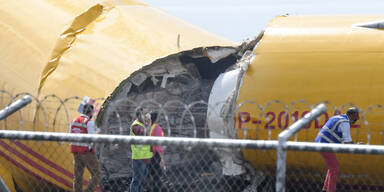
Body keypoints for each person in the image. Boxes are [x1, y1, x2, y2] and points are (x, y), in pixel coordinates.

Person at [315, 107, 360, 192]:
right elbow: (347, 142)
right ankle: (330, 190)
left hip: (322, 143)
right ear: (352, 116)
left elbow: (339, 138)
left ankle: (325, 189)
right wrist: (357, 146)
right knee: (334, 168)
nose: (355, 121)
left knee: (332, 167)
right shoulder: (345, 123)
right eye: (356, 119)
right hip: (325, 144)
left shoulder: (337, 117)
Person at [69, 103, 101, 192]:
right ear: (91, 113)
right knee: (97, 174)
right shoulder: (89, 122)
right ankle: (88, 190)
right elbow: (92, 137)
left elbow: (69, 134)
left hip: (75, 151)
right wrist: (98, 132)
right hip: (87, 151)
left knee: (78, 176)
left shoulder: (74, 120)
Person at [130, 108, 153, 192]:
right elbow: (145, 134)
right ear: (139, 115)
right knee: (137, 180)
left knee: (142, 180)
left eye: (148, 113)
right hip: (139, 157)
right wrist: (149, 122)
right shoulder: (135, 126)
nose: (147, 115)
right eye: (145, 114)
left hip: (146, 157)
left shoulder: (143, 125)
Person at [148, 111, 166, 192]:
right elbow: (159, 145)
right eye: (159, 116)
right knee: (158, 176)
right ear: (156, 118)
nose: (160, 118)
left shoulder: (151, 127)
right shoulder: (157, 128)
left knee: (153, 175)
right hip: (156, 155)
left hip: (151, 154)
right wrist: (162, 159)